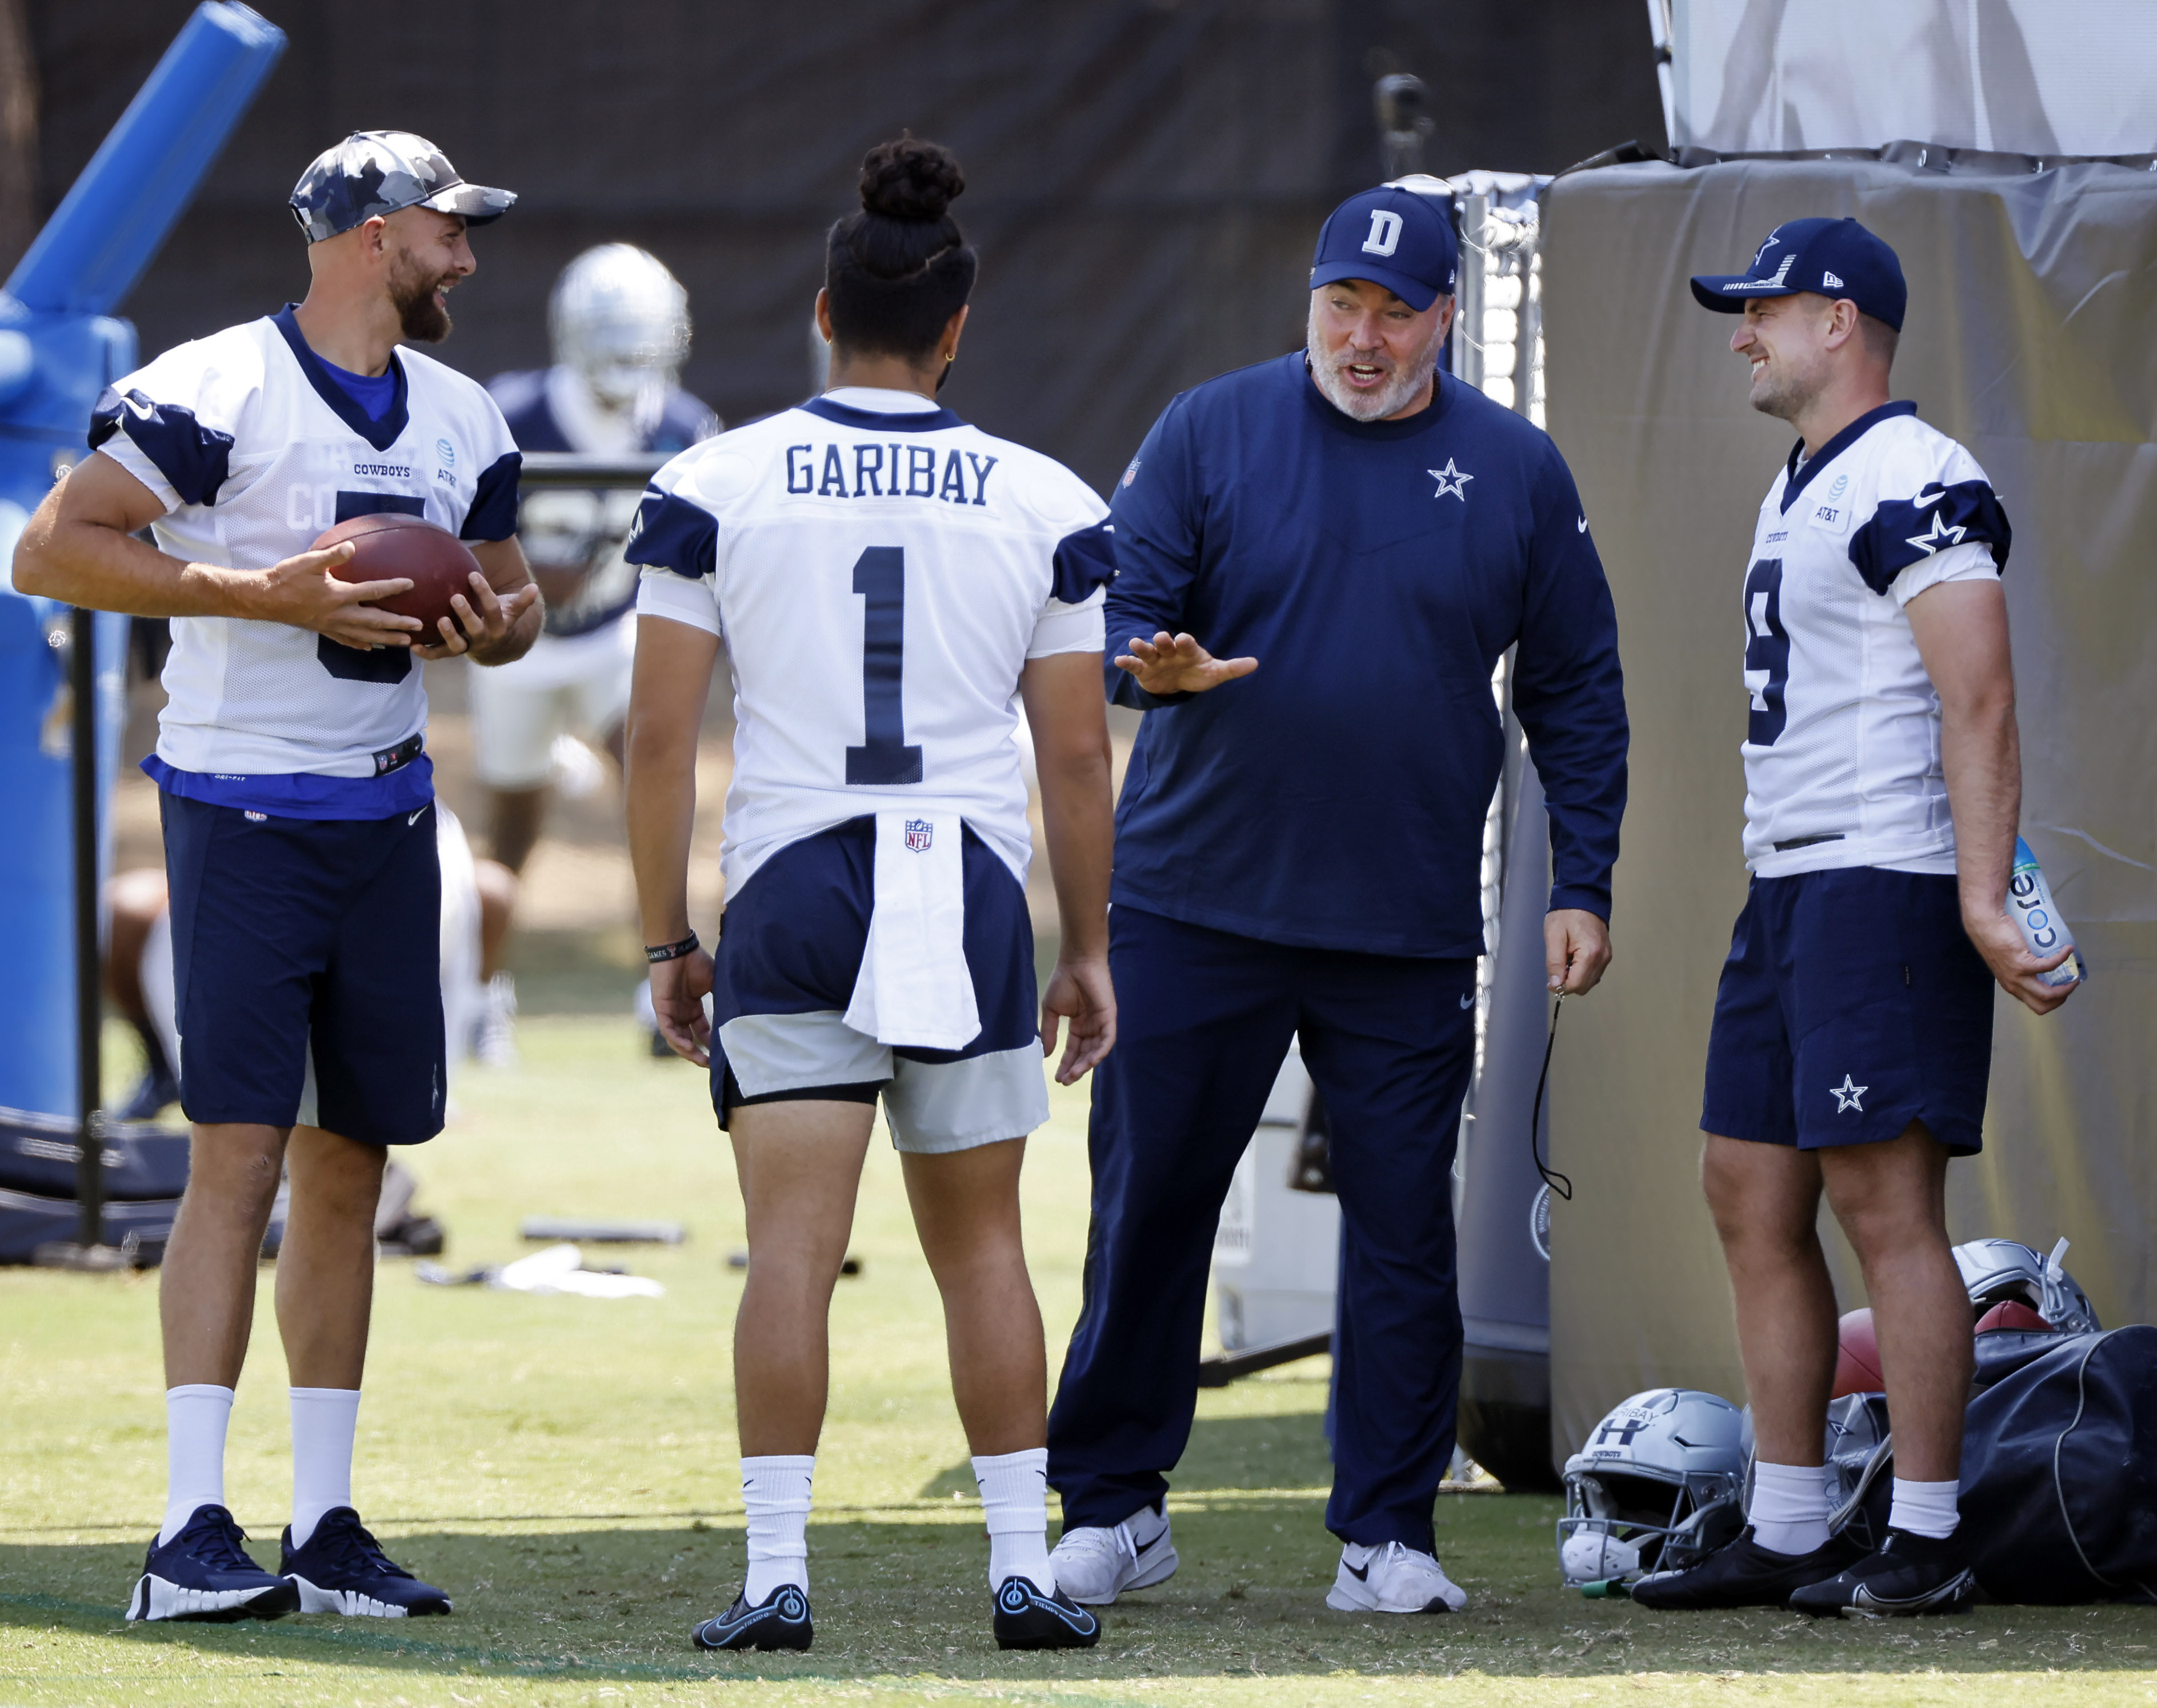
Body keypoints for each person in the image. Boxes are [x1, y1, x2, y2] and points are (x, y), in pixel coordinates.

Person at [1045, 183, 1629, 1615]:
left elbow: (1575, 689)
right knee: (1149, 1207)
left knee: (1401, 1232)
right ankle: (1114, 1505)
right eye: (1337, 307)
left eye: (1391, 312)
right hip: (1194, 903)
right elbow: (1113, 616)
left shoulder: (1516, 468)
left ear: (1445, 317)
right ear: (1307, 302)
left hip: (1405, 920)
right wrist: (1149, 666)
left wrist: (1587, 877)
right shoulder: (1208, 427)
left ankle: (1386, 1532)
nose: (1359, 339)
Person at [13, 130, 540, 1623]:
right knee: (235, 1148)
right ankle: (189, 1528)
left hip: (387, 817)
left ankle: (324, 1522)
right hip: (242, 812)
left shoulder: (458, 410)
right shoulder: (212, 387)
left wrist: (482, 628)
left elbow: (515, 599)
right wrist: (256, 589)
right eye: (451, 228)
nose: (470, 256)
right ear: (373, 235)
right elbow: (54, 550)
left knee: (352, 1160)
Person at [622, 136, 1117, 1654]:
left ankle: (779, 1576)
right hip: (960, 879)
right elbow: (1078, 751)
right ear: (958, 331)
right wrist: (1086, 942)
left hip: (796, 879)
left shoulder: (712, 481)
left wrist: (664, 935)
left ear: (821, 315)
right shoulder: (1045, 498)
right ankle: (1022, 1568)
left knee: (790, 1246)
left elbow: (656, 735)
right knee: (984, 1246)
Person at [1628, 218, 2075, 1618]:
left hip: (1880, 878)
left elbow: (1980, 695)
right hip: (1791, 883)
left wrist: (1985, 894)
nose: (1740, 333)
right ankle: (1790, 1519)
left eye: (1760, 309)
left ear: (1839, 321)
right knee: (1747, 1189)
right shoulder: (1800, 482)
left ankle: (1930, 1532)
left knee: (1887, 1203)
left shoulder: (1918, 475)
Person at [475, 247, 719, 1050]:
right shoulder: (512, 413)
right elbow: (463, 530)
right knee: (514, 819)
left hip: (617, 633)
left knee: (651, 777)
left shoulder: (682, 425)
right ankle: (483, 993)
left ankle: (664, 981)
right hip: (523, 641)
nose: (628, 356)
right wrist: (517, 571)